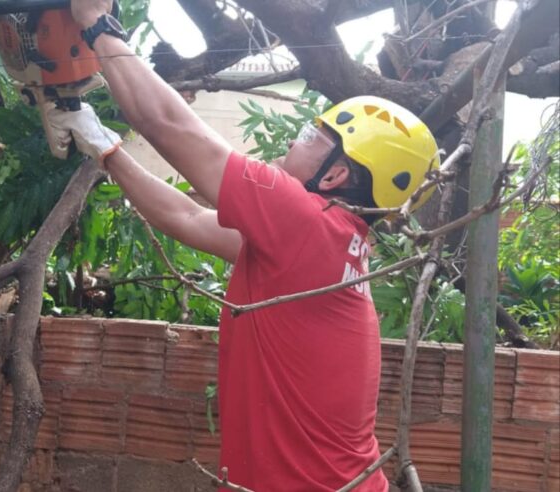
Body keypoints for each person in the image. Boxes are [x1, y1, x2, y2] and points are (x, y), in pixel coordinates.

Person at [46, 1, 440, 490]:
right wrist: (104, 147)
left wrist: (95, 23)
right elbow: (185, 215)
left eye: (312, 137)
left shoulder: (308, 224)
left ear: (335, 174)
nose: (296, 141)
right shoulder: (326, 247)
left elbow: (168, 125)